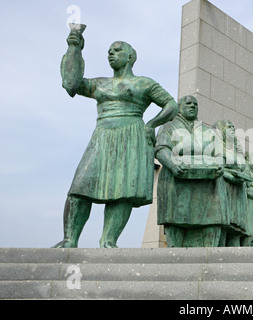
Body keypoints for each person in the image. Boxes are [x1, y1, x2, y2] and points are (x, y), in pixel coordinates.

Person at [53, 28, 178, 248]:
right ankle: (70, 239)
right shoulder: (99, 83)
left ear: (130, 57)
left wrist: (152, 124)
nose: (111, 53)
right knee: (80, 187)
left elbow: (171, 105)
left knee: (122, 192)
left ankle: (108, 240)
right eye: (109, 51)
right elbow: (71, 84)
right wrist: (75, 46)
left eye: (117, 50)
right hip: (102, 134)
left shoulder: (144, 83)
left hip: (132, 134)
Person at [155, 96, 227, 247]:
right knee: (176, 221)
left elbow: (220, 153)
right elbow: (161, 149)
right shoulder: (168, 127)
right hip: (177, 181)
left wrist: (220, 164)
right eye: (188, 103)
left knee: (211, 223)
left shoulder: (208, 130)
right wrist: (172, 165)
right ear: (179, 107)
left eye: (195, 104)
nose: (193, 106)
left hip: (208, 185)